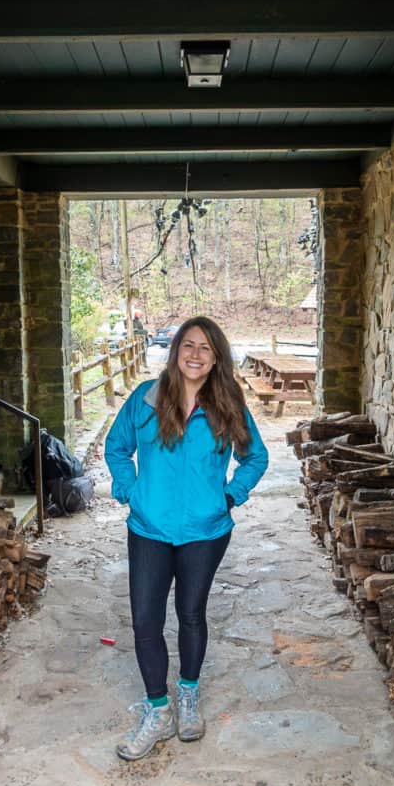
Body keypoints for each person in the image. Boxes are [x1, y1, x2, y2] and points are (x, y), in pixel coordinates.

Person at [104, 316, 268, 760]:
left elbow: (255, 457)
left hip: (205, 530)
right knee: (144, 620)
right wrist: (128, 488)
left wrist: (229, 495)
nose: (195, 355)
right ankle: (157, 709)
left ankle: (189, 694)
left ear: (217, 359)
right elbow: (117, 447)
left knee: (191, 614)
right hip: (149, 528)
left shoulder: (226, 403)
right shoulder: (146, 398)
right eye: (188, 345)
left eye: (206, 349)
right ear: (176, 350)